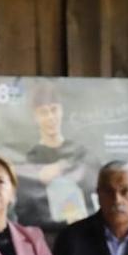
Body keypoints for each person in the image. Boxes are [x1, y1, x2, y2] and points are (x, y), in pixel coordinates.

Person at [14, 84, 93, 228]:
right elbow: (24, 210)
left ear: (62, 110)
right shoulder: (30, 160)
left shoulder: (80, 152)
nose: (51, 117)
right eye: (43, 112)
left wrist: (62, 166)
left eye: (54, 110)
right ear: (35, 117)